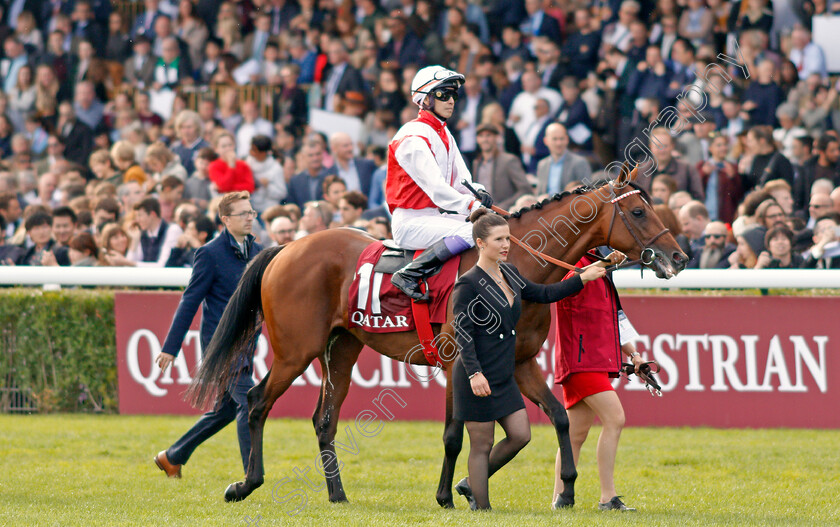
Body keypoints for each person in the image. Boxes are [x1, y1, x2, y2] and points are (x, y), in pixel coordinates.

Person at [452, 209, 607, 511]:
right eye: (499, 240)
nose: (506, 245)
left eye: (508, 238)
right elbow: (463, 333)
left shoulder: (509, 272)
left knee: (521, 435)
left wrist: (583, 278)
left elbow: (544, 293)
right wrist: (474, 374)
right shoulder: (467, 284)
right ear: (481, 243)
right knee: (481, 444)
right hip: (476, 374)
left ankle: (471, 484)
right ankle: (481, 509)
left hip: (502, 372)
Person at [153, 191, 263, 478]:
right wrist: (170, 348)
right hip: (221, 345)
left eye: (252, 212)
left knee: (226, 411)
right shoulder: (209, 253)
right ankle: (252, 476)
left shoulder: (259, 251)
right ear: (225, 220)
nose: (250, 218)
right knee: (250, 402)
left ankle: (172, 456)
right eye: (244, 214)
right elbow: (189, 302)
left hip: (247, 343)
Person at [386, 65, 492, 301]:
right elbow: (437, 189)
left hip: (433, 217)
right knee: (473, 231)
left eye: (454, 94)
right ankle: (409, 274)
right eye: (443, 94)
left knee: (495, 226)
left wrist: (479, 193)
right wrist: (471, 206)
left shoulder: (444, 133)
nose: (451, 100)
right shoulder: (412, 135)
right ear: (424, 99)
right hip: (410, 222)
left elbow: (461, 181)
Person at [552, 250, 646, 512]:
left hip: (593, 362)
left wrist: (635, 355)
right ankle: (608, 497)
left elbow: (614, 319)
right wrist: (604, 263)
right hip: (581, 363)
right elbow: (564, 287)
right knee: (615, 419)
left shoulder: (601, 269)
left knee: (575, 435)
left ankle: (559, 500)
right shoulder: (575, 265)